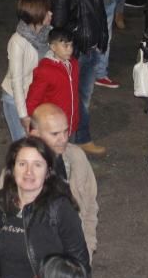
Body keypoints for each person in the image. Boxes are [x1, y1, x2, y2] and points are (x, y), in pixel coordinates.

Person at [0, 137, 91, 278]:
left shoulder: (60, 209)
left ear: (48, 172)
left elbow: (80, 266)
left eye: (37, 165)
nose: (29, 172)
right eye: (22, 164)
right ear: (12, 169)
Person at [18, 103, 99, 258]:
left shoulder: (77, 157)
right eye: (55, 134)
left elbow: (90, 206)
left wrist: (87, 250)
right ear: (34, 134)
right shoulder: (19, 171)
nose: (63, 139)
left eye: (65, 131)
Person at [51, 0, 108, 156]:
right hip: (76, 54)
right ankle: (79, 138)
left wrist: (103, 39)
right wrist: (72, 45)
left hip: (92, 51)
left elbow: (101, 13)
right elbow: (58, 25)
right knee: (76, 98)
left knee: (83, 96)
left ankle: (75, 137)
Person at [1, 0, 52, 141]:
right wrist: (23, 115)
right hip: (15, 99)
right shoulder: (17, 41)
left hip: (35, 97)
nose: (51, 14)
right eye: (47, 11)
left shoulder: (46, 35)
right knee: (23, 145)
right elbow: (16, 82)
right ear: (36, 14)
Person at [26, 28, 80, 136]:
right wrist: (34, 126)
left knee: (68, 151)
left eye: (71, 45)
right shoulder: (45, 71)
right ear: (53, 47)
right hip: (53, 128)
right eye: (65, 45)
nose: (70, 49)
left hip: (71, 124)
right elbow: (33, 101)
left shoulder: (74, 64)